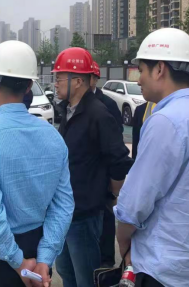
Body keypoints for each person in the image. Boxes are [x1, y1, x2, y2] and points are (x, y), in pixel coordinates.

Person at [115, 28, 189, 287]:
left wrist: (123, 242)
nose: (139, 79)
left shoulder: (165, 120)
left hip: (164, 269)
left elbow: (134, 204)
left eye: (141, 70)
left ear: (159, 69)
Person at [0, 41, 74, 287]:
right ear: (28, 86)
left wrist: (18, 262)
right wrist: (44, 259)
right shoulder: (53, 135)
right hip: (37, 246)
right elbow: (63, 206)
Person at [53, 47, 133, 287]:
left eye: (60, 77)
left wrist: (111, 194)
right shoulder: (68, 110)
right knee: (66, 271)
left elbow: (119, 160)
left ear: (78, 81)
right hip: (65, 210)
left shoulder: (98, 114)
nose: (55, 83)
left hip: (85, 213)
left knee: (85, 277)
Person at [90, 61, 124, 269]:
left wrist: (114, 186)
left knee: (106, 218)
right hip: (84, 177)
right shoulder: (70, 104)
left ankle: (106, 260)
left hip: (103, 173)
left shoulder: (107, 104)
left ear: (95, 79)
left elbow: (116, 141)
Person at [91, 62, 123, 132]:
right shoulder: (71, 102)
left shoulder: (109, 104)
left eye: (87, 77)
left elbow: (118, 130)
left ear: (96, 80)